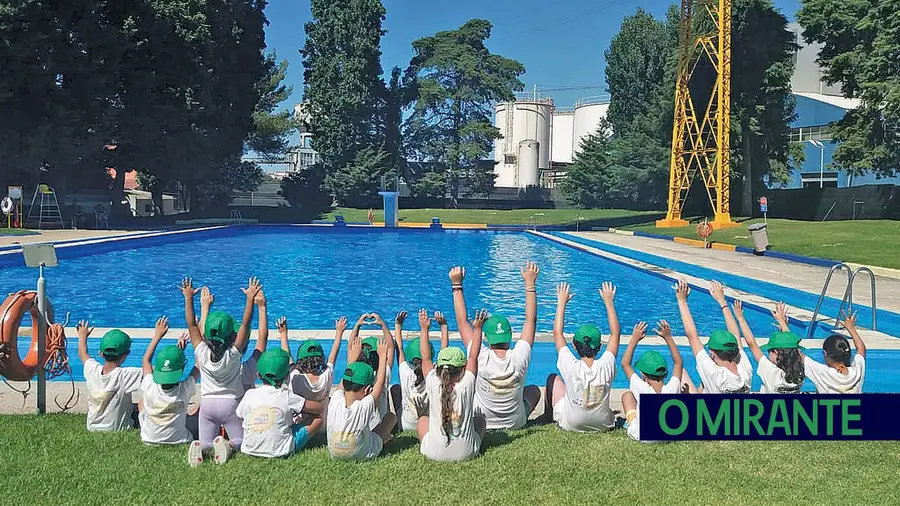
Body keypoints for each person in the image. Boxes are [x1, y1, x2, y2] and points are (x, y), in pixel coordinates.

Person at [450, 262, 541, 430]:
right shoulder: (520, 355)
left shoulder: (480, 356)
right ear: (510, 335)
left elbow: (462, 322)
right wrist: (530, 285)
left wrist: (457, 285)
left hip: (481, 421)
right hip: (515, 423)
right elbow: (531, 320)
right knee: (534, 391)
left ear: (486, 338)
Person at [181, 276, 258, 464]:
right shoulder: (233, 355)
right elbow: (246, 325)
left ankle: (201, 447)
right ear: (233, 336)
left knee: (205, 440)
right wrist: (250, 299)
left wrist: (188, 298)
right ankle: (228, 445)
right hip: (230, 405)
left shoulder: (202, 353)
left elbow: (192, 325)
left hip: (207, 405)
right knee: (242, 440)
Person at [543, 281, 621, 432]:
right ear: (599, 347)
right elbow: (615, 333)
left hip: (572, 424)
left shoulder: (570, 365)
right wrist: (609, 302)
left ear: (574, 346)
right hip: (604, 424)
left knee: (553, 378)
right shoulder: (606, 365)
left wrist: (561, 303)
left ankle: (547, 417)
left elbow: (557, 333)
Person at [417, 309, 489, 462]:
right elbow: (473, 356)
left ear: (438, 369)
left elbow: (426, 358)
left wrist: (424, 329)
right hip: (467, 452)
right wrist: (477, 329)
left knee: (423, 420)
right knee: (480, 420)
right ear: (463, 368)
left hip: (434, 453)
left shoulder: (432, 382)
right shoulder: (467, 383)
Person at [235, 349, 323, 459]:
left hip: (249, 448)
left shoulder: (249, 394)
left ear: (258, 375)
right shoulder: (287, 396)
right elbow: (318, 409)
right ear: (287, 376)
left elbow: (240, 415)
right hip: (283, 449)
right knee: (319, 418)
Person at [326, 333, 397, 461]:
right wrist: (382, 357)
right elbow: (379, 384)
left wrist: (353, 357)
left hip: (335, 454)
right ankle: (383, 442)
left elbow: (347, 377)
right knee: (391, 417)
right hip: (362, 454)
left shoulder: (335, 400)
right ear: (368, 390)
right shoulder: (364, 405)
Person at [677, 280, 752, 394]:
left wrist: (682, 301)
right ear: (736, 351)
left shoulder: (714, 373)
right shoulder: (745, 369)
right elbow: (735, 336)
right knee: (703, 384)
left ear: (712, 354)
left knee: (681, 374)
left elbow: (692, 336)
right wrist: (722, 302)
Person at [139, 316, 201, 454]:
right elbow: (199, 364)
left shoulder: (150, 385)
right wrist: (197, 332)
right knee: (198, 411)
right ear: (182, 369)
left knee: (142, 403)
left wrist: (157, 335)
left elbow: (145, 361)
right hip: (180, 440)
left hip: (149, 439)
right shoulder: (185, 388)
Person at [279, 315, 345, 439]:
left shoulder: (295, 377)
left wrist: (283, 334)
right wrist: (339, 332)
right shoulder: (327, 375)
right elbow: (333, 356)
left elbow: (287, 356)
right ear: (321, 359)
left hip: (300, 425)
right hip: (323, 425)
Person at [620, 320, 684, 443]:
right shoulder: (672, 388)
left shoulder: (642, 389)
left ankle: (629, 423)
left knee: (627, 396)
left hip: (643, 436)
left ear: (643, 374)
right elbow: (678, 363)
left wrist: (634, 339)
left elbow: (625, 364)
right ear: (665, 373)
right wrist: (668, 337)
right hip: (668, 436)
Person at [77, 321, 142, 432]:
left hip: (92, 427)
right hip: (117, 428)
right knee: (143, 403)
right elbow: (153, 371)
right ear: (126, 354)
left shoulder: (92, 370)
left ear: (100, 353)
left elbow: (83, 353)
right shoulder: (126, 375)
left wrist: (82, 335)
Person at [392, 309, 448, 431]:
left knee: (395, 389)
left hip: (406, 425)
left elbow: (399, 349)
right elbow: (444, 351)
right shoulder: (435, 373)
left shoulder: (404, 371)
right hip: (429, 423)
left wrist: (398, 325)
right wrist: (443, 327)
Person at [732, 300, 805, 393]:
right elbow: (791, 344)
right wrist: (782, 322)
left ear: (776, 353)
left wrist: (740, 318)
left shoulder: (771, 371)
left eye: (769, 351)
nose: (767, 354)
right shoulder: (799, 370)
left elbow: (752, 343)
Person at [803, 312, 866, 393]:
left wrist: (783, 323)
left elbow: (797, 354)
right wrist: (851, 328)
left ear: (825, 353)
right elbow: (861, 349)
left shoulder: (822, 372)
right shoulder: (856, 372)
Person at [358, 313, 395, 430]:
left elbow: (350, 349)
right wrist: (383, 324)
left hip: (359, 428)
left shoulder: (355, 373)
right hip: (378, 429)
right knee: (391, 417)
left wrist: (358, 325)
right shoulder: (383, 374)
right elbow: (391, 347)